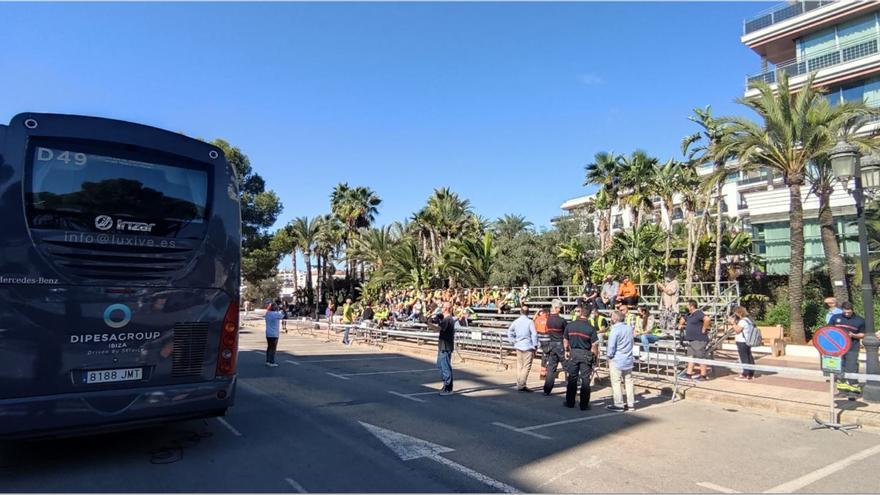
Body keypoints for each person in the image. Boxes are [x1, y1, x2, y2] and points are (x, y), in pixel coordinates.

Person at [563, 308, 599, 410]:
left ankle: (570, 402)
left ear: (580, 314)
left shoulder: (570, 325)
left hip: (573, 353)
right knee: (585, 380)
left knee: (572, 378)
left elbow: (565, 339)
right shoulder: (591, 328)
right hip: (586, 354)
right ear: (588, 316)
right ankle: (584, 405)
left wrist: (566, 351)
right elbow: (594, 346)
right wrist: (595, 359)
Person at [829, 302, 866, 393]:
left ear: (852, 310)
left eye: (849, 312)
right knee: (840, 366)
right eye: (845, 312)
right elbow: (828, 330)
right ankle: (842, 388)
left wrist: (853, 335)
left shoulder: (860, 320)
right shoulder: (835, 317)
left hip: (852, 348)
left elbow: (863, 334)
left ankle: (853, 387)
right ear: (842, 310)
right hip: (838, 348)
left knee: (852, 366)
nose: (846, 314)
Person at [606, 310, 635, 412]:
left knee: (616, 382)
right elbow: (632, 342)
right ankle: (631, 404)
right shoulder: (629, 328)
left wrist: (609, 356)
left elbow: (611, 346)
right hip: (628, 358)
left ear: (614, 319)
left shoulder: (614, 330)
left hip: (617, 359)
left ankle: (619, 404)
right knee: (629, 381)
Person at [507, 304, 539, 392]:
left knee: (520, 366)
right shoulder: (530, 322)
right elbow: (534, 334)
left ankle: (519, 383)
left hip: (519, 345)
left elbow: (509, 331)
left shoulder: (516, 321)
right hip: (528, 346)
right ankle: (522, 384)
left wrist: (513, 341)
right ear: (528, 313)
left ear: (520, 312)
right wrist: (535, 345)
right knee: (526, 366)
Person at [428, 302, 456, 395]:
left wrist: (427, 323)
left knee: (445, 367)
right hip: (442, 346)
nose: (441, 308)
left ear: (447, 308)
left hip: (446, 346)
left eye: (443, 307)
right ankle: (445, 384)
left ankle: (448, 387)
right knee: (440, 365)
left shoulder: (448, 319)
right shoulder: (445, 319)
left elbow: (437, 329)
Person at [680, 299, 711, 381]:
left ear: (691, 306)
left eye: (687, 305)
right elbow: (682, 319)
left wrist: (704, 328)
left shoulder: (698, 313)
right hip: (691, 340)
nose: (685, 306)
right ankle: (688, 374)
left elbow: (707, 319)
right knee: (691, 357)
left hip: (699, 339)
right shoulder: (689, 314)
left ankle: (703, 376)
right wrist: (680, 324)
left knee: (700, 357)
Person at [543, 299, 567, 395]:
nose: (560, 310)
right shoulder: (561, 320)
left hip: (552, 344)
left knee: (551, 368)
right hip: (560, 345)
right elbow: (566, 333)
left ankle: (547, 389)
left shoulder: (548, 320)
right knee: (567, 366)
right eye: (559, 308)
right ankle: (572, 387)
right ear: (556, 308)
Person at [729, 306, 756, 381]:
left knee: (744, 357)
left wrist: (733, 323)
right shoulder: (749, 320)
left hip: (742, 341)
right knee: (749, 356)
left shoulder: (742, 321)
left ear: (739, 313)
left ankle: (745, 374)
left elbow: (737, 330)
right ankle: (750, 373)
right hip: (747, 341)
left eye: (736, 313)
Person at [264, 303, 284, 367]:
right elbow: (283, 316)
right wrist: (282, 309)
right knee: (273, 348)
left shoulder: (267, 313)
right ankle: (272, 361)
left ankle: (267, 361)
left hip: (268, 333)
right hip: (274, 334)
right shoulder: (276, 314)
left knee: (269, 347)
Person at [534, 307, 551, 379]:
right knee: (547, 356)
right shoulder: (549, 319)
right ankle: (545, 373)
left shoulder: (537, 319)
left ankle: (543, 372)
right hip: (547, 340)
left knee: (544, 356)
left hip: (540, 340)